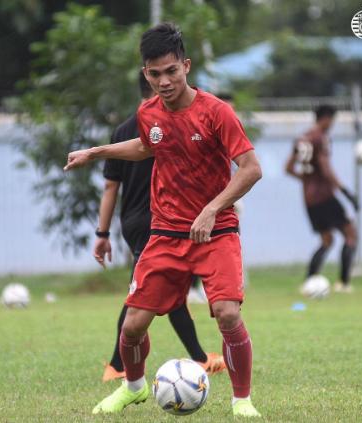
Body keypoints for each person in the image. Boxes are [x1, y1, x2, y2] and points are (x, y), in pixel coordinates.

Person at [64, 23, 263, 417]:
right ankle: (134, 388)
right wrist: (95, 151)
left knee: (227, 313)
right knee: (133, 325)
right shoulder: (148, 112)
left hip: (215, 231)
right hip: (166, 233)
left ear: (186, 66)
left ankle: (242, 402)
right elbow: (145, 145)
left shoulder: (216, 112)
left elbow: (251, 168)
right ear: (145, 74)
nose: (164, 81)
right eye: (155, 74)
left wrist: (212, 208)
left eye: (171, 71)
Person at [95, 73, 225, 382]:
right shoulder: (165, 124)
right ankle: (120, 366)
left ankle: (193, 356)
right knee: (142, 296)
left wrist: (102, 234)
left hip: (133, 220)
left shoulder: (122, 129)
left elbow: (110, 187)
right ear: (153, 88)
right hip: (159, 219)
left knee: (164, 291)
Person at [285, 105, 359, 293]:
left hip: (309, 198)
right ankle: (343, 283)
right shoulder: (321, 138)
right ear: (326, 118)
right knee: (351, 235)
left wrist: (306, 180)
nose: (332, 125)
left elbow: (288, 168)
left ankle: (309, 281)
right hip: (325, 195)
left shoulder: (302, 138)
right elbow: (325, 169)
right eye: (332, 121)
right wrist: (345, 191)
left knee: (327, 240)